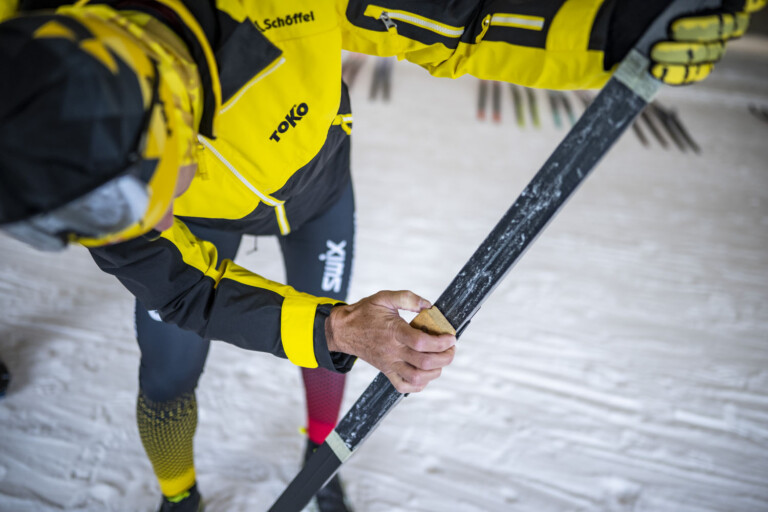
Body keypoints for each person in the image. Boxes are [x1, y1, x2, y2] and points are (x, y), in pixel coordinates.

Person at [0, 1, 762, 511]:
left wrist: (618, 27)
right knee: (168, 370)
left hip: (316, 192)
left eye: (158, 188)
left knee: (329, 356)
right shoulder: (36, 108)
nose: (156, 220)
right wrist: (333, 327)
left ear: (172, 109)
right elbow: (183, 288)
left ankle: (318, 465)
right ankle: (178, 495)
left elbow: (464, 19)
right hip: (222, 213)